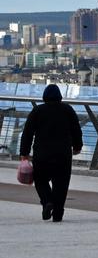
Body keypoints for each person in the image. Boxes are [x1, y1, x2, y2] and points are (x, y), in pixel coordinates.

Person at [20, 84, 83, 222]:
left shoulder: (37, 111)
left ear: (44, 97)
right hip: (63, 154)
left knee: (41, 181)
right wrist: (77, 146)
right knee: (61, 184)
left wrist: (24, 153)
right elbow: (76, 130)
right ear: (59, 96)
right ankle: (58, 214)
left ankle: (47, 201)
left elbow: (28, 133)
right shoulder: (68, 110)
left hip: (42, 154)